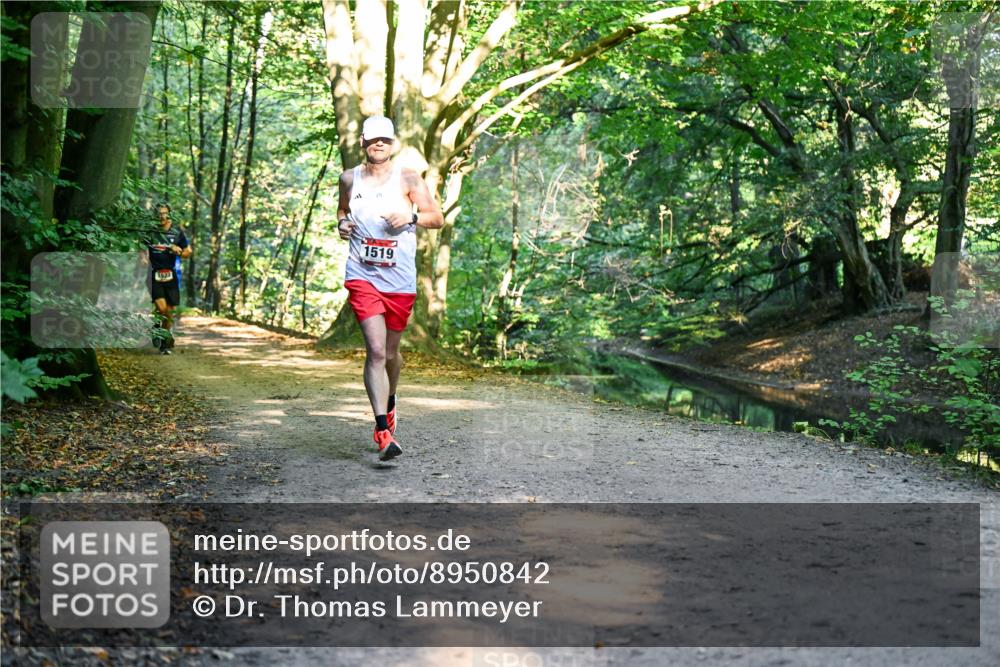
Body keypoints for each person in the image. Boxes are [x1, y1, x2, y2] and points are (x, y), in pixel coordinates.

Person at [337, 116, 444, 461]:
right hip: (362, 274)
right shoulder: (349, 178)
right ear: (363, 143)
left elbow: (436, 218)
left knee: (393, 354)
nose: (378, 144)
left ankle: (391, 399)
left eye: (385, 139)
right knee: (377, 351)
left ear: (393, 144)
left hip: (399, 279)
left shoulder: (409, 178)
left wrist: (411, 218)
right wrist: (342, 223)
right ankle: (382, 430)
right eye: (373, 140)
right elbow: (341, 211)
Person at [146, 203, 191, 355]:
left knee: (169, 312)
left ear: (169, 214)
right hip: (154, 274)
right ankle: (161, 334)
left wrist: (178, 251)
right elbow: (141, 251)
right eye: (158, 214)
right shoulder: (149, 232)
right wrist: (143, 258)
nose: (161, 216)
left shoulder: (177, 232)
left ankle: (163, 339)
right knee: (162, 309)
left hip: (171, 275)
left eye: (164, 213)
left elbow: (187, 252)